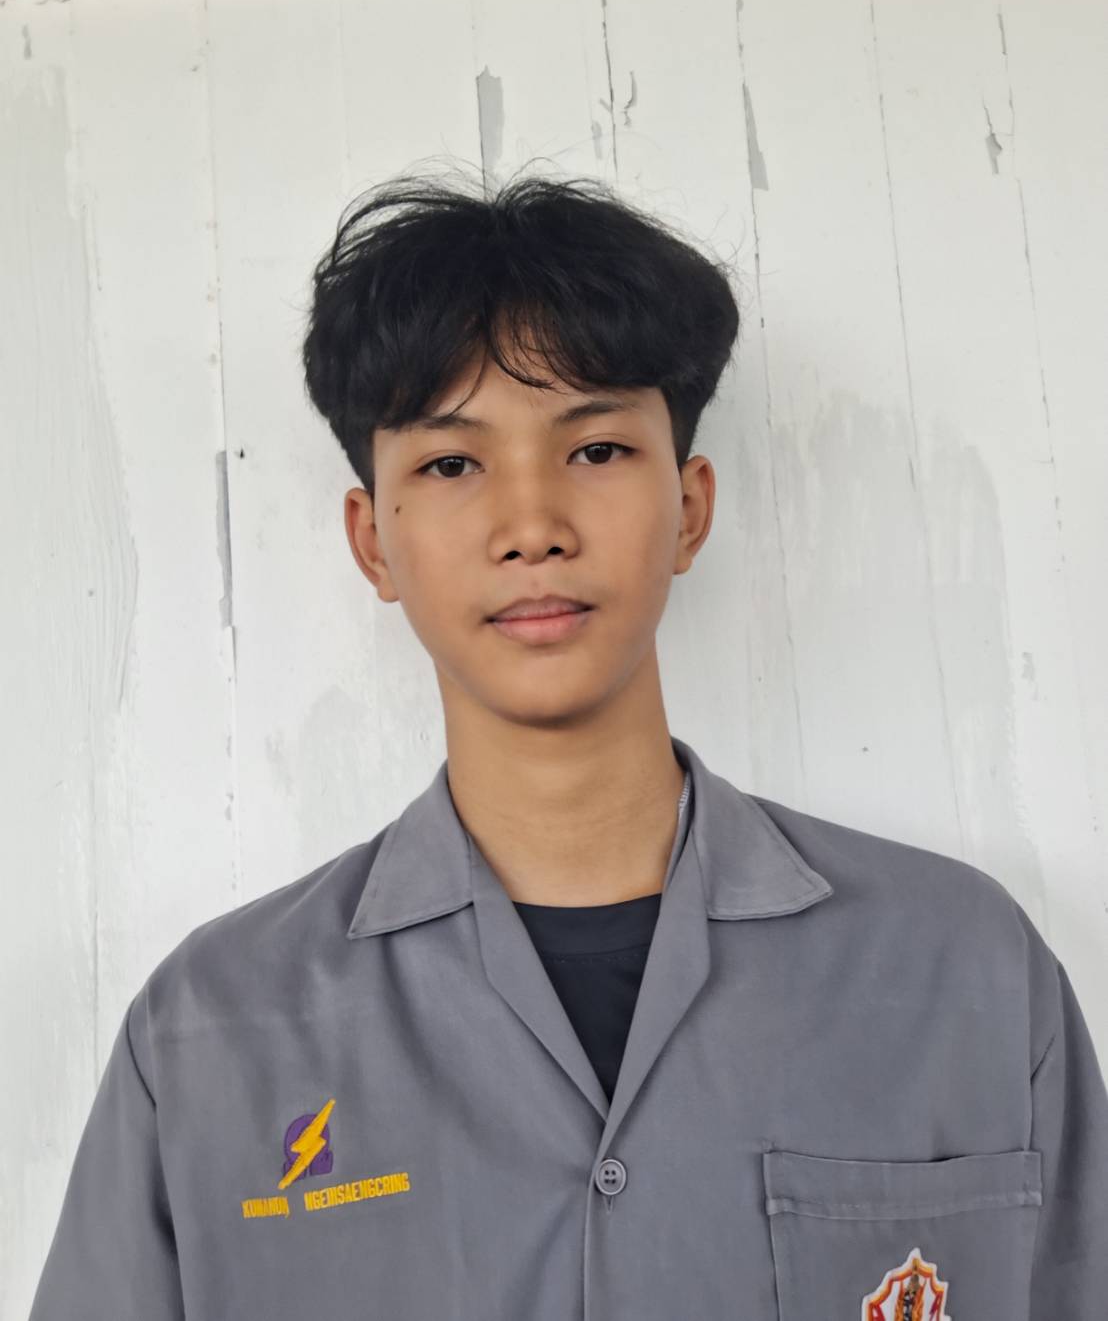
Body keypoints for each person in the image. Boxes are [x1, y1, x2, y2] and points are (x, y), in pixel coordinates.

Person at [29, 167, 1108, 1319]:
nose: (532, 526)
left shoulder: (960, 968)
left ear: (690, 506)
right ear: (373, 541)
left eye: (594, 450)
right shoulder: (212, 1032)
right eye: (451, 463)